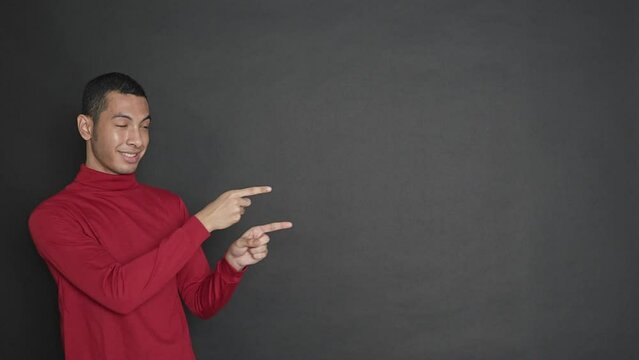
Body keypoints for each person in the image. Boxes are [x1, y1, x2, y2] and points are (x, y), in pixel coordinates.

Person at [28, 72, 292, 359]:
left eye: (145, 126)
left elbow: (201, 302)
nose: (137, 140)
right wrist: (203, 223)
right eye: (121, 124)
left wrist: (232, 265)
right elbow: (119, 293)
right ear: (86, 127)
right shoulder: (53, 217)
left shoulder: (169, 206)